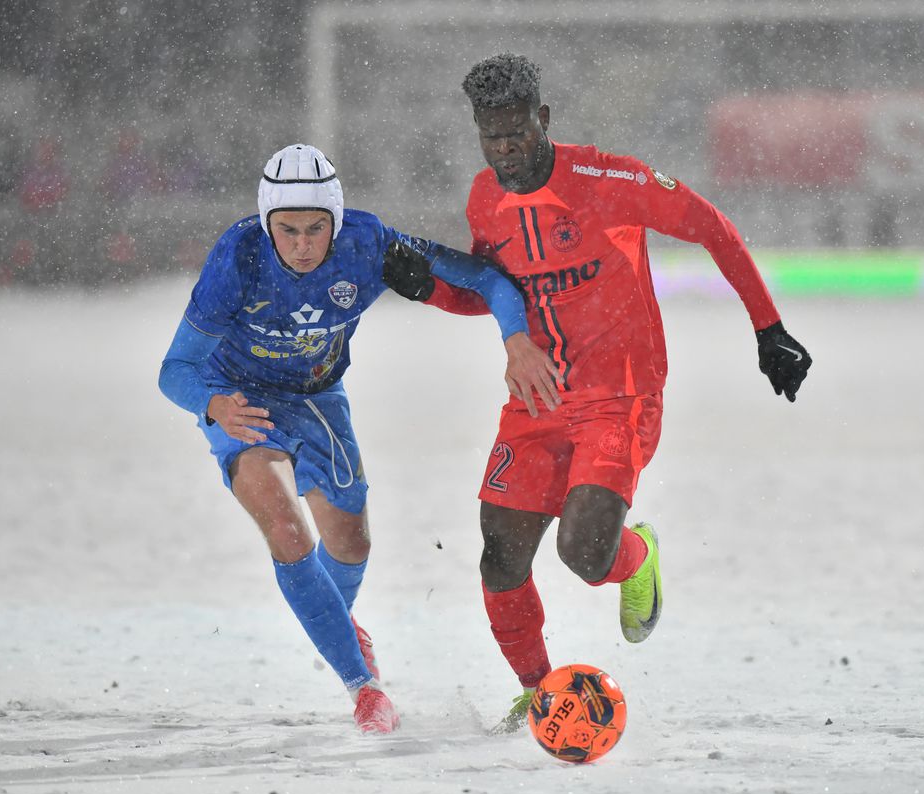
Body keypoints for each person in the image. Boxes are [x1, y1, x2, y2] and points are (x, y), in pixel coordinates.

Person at [395, 54, 813, 732]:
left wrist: (769, 328)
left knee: (585, 555)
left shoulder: (608, 179)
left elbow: (712, 226)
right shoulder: (484, 197)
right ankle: (541, 694)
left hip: (620, 394)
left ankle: (637, 557)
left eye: (517, 132)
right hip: (538, 397)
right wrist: (429, 290)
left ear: (544, 118)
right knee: (500, 559)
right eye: (491, 137)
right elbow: (495, 294)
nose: (505, 150)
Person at [158, 143, 559, 734]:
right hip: (239, 399)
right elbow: (174, 370)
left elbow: (486, 280)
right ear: (267, 224)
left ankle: (337, 626)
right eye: (287, 230)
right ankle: (363, 688)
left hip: (318, 396)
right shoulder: (238, 257)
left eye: (315, 229)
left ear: (337, 221)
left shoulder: (368, 243)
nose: (301, 244)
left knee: (350, 544)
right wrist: (212, 405)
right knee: (287, 529)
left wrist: (515, 338)